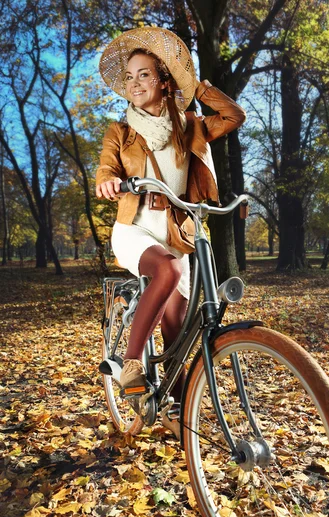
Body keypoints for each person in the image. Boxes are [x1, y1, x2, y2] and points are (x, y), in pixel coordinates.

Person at [96, 26, 245, 433]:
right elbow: (106, 169)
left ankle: (177, 411)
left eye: (144, 74)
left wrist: (195, 85)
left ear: (163, 81)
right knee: (168, 271)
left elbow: (234, 116)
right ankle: (131, 363)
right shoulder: (121, 132)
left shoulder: (189, 126)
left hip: (175, 233)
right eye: (129, 77)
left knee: (178, 328)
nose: (134, 82)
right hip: (135, 227)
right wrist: (107, 181)